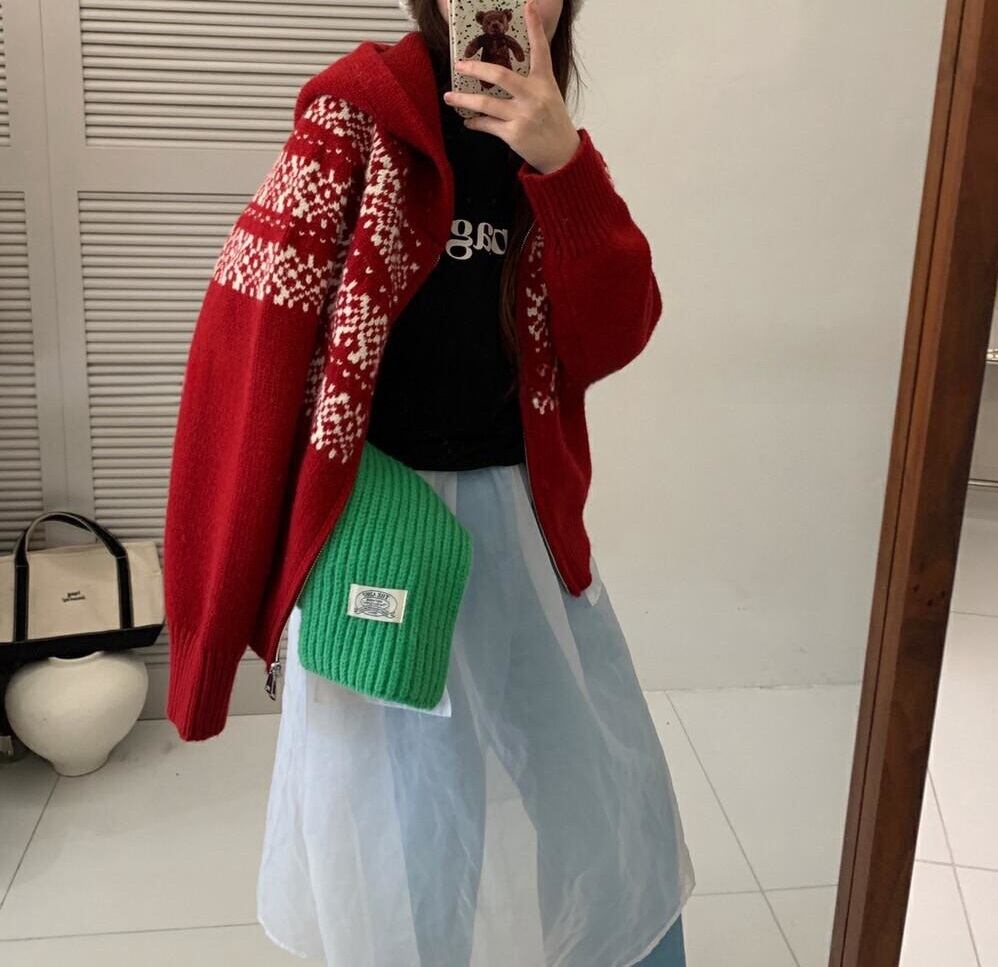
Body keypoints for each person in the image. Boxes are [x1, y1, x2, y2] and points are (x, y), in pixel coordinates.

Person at [162, 0, 695, 964]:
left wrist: (565, 168)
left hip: (525, 527)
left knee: (609, 802)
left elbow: (615, 335)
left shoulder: (553, 147)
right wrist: (211, 631)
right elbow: (245, 357)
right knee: (409, 841)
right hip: (381, 530)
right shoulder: (355, 120)